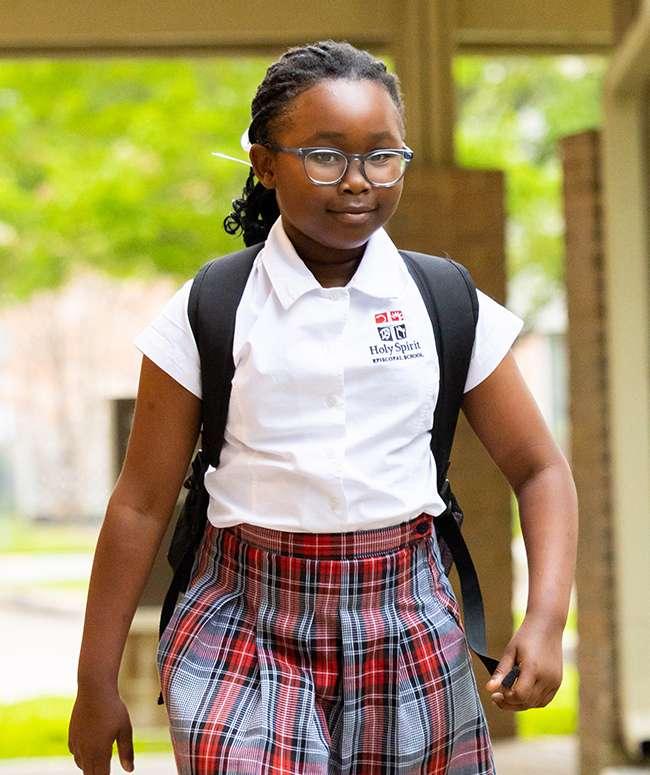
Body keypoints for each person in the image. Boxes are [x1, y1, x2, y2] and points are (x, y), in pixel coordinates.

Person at [68, 39, 578, 775]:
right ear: (264, 162)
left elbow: (539, 469)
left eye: (382, 156)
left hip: (408, 621)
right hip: (243, 620)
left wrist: (548, 616)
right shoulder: (212, 307)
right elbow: (140, 504)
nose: (358, 182)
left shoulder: (444, 301)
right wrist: (95, 682)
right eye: (326, 156)